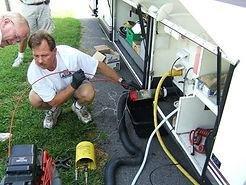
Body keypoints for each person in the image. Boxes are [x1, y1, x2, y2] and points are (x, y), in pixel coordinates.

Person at [27, 30, 129, 129]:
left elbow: (98, 66)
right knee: (34, 99)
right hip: (58, 92)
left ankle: (78, 106)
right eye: (36, 56)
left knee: (88, 93)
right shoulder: (33, 72)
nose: (40, 61)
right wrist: (73, 85)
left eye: (44, 55)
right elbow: (53, 101)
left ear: (54, 51)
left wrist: (122, 81)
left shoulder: (71, 55)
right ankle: (54, 110)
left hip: (75, 86)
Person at [12, 0, 54, 67]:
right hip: (28, 7)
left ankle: (48, 55)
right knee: (24, 34)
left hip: (43, 6)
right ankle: (20, 57)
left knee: (46, 34)